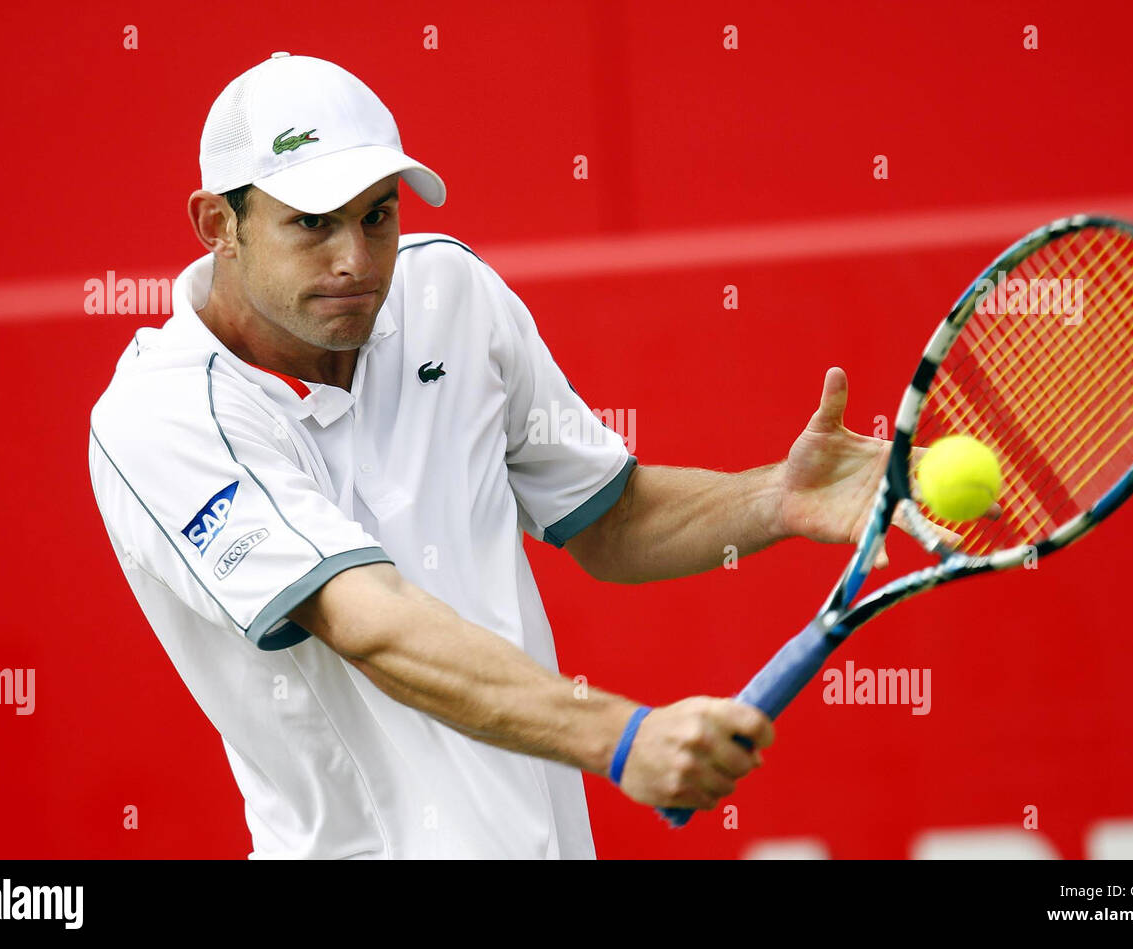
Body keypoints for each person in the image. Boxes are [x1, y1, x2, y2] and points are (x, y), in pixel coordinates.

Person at [87, 52, 895, 859]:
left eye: (377, 215)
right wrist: (621, 736)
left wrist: (775, 497)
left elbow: (610, 518)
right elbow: (369, 622)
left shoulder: (451, 295)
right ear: (217, 225)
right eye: (312, 222)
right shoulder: (160, 415)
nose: (356, 261)